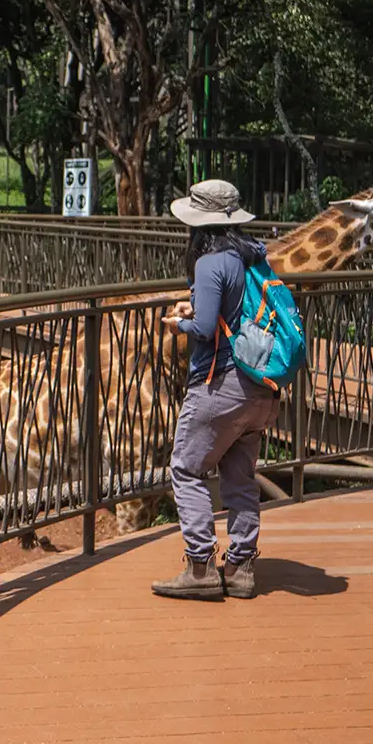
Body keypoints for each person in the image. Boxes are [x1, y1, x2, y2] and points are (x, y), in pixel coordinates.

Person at [152, 178, 281, 601]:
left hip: (222, 384)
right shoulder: (252, 256)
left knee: (186, 469)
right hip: (262, 387)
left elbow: (206, 329)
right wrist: (199, 307)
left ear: (199, 224)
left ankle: (201, 565)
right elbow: (231, 310)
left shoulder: (210, 263)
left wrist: (180, 323)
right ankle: (242, 567)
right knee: (239, 475)